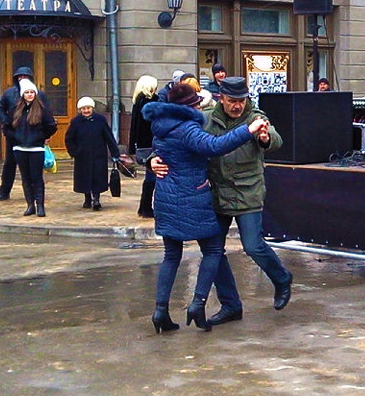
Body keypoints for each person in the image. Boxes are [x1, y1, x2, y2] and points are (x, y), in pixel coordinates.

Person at [142, 82, 267, 333]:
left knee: (171, 255)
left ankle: (160, 311)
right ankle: (198, 304)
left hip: (166, 197)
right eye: (197, 101)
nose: (200, 104)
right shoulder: (188, 128)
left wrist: (150, 160)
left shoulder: (161, 125)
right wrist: (248, 129)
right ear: (190, 106)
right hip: (192, 197)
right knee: (212, 250)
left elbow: (155, 152)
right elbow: (214, 146)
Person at [206, 77, 293, 321]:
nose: (237, 106)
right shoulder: (208, 119)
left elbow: (275, 139)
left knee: (253, 245)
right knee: (213, 252)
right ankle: (230, 304)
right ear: (220, 98)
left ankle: (282, 278)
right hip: (218, 192)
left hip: (248, 191)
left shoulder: (255, 117)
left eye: (241, 101)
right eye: (232, 101)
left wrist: (265, 138)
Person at [0, 67, 47, 201]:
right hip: (14, 135)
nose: (22, 79)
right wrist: (6, 123)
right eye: (19, 77)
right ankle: (4, 191)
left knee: (34, 169)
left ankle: (36, 194)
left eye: (25, 76)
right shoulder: (9, 93)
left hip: (33, 136)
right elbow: (0, 107)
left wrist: (43, 135)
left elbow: (46, 114)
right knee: (9, 163)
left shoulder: (38, 94)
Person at [5, 79, 57, 217]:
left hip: (36, 149)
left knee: (37, 178)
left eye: (31, 92)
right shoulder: (16, 109)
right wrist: (15, 137)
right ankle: (30, 205)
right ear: (23, 94)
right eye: (27, 92)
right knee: (25, 178)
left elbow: (51, 126)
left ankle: (40, 205)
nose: (29, 95)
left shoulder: (42, 109)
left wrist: (41, 137)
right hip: (20, 149)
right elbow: (7, 126)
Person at [65, 96, 122, 211]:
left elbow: (109, 137)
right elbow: (69, 138)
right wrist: (74, 152)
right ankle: (87, 198)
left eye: (88, 108)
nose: (86, 111)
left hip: (98, 155)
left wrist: (115, 153)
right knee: (84, 178)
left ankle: (96, 199)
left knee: (98, 178)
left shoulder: (100, 120)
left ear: (92, 108)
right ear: (80, 110)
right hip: (82, 156)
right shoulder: (76, 122)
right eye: (83, 109)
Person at [128, 75, 159, 218]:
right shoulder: (151, 101)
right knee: (152, 177)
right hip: (151, 144)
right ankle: (146, 208)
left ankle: (143, 207)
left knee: (150, 177)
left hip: (142, 145)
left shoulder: (137, 101)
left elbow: (133, 127)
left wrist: (132, 148)